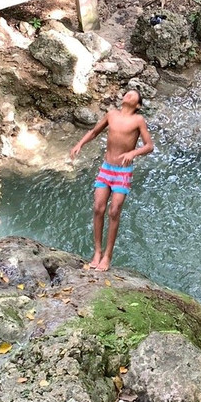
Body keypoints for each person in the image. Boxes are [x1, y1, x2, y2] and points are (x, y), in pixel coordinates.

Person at [69, 89, 154, 271]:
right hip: (106, 168)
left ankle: (108, 255)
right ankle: (97, 252)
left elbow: (149, 146)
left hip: (123, 172)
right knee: (98, 208)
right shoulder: (112, 114)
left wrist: (133, 152)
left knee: (114, 211)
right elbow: (94, 132)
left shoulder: (138, 120)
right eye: (127, 93)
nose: (128, 95)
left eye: (133, 95)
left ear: (138, 105)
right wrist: (79, 144)